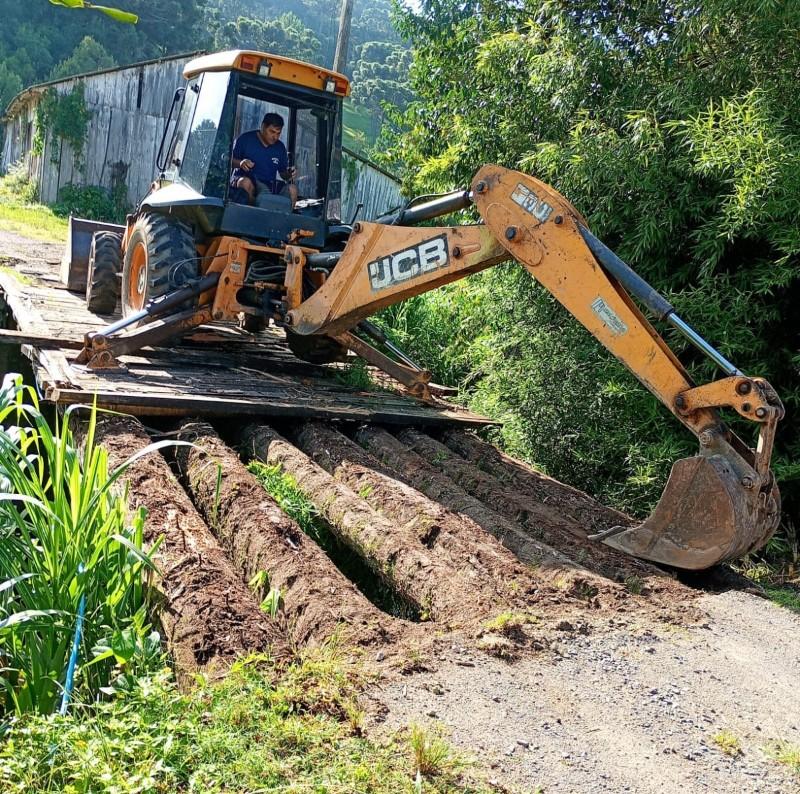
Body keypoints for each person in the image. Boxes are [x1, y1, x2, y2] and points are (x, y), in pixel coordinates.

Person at [230, 112, 297, 206]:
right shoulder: (245, 139)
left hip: (269, 186)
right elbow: (229, 161)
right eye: (272, 132)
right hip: (248, 182)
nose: (275, 137)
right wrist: (241, 163)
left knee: (292, 189)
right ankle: (253, 211)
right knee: (245, 183)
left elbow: (283, 174)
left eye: (278, 133)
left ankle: (282, 214)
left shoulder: (280, 147)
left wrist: (289, 173)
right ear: (263, 126)